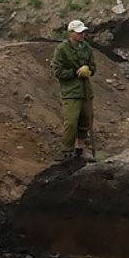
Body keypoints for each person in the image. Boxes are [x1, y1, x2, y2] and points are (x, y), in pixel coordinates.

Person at [51, 19, 96, 162]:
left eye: (83, 32)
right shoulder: (62, 49)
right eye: (79, 32)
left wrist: (88, 70)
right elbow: (57, 71)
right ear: (71, 33)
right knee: (71, 121)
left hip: (86, 91)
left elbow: (93, 67)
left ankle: (79, 149)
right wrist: (75, 72)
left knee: (85, 120)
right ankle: (66, 151)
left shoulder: (87, 48)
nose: (82, 34)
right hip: (71, 92)